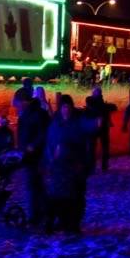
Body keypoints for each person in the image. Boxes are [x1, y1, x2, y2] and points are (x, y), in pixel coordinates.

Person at [45, 95, 93, 232]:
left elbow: (87, 131)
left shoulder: (77, 122)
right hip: (59, 168)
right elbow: (49, 143)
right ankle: (62, 221)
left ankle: (74, 224)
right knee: (59, 196)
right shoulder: (55, 124)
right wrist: (51, 159)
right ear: (60, 108)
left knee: (76, 197)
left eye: (68, 106)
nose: (66, 109)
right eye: (63, 106)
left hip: (75, 167)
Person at [17, 90, 51, 225]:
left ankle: (38, 215)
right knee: (34, 186)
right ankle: (39, 213)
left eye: (18, 102)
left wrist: (33, 145)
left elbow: (43, 133)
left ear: (25, 101)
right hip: (28, 155)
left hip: (36, 156)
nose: (17, 105)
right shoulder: (26, 114)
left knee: (35, 186)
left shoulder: (37, 114)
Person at [83, 86, 117, 172]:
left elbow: (113, 107)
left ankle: (104, 166)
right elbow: (99, 107)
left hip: (103, 127)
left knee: (104, 147)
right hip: (93, 126)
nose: (97, 94)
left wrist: (105, 107)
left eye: (98, 92)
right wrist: (106, 107)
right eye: (96, 92)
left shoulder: (99, 101)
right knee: (91, 148)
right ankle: (92, 166)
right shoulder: (89, 100)